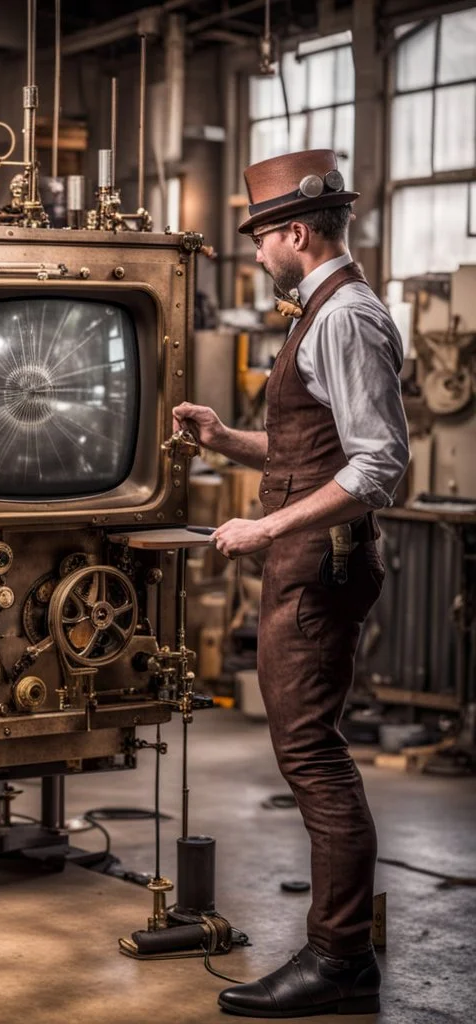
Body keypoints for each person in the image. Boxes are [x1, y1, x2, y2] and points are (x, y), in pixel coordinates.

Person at [173, 149, 409, 1018]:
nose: (257, 257)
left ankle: (340, 960)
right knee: (310, 753)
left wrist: (266, 526)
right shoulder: (324, 313)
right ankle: (340, 954)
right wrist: (226, 439)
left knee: (314, 757)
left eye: (261, 241)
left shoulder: (344, 318)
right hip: (306, 564)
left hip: (318, 567)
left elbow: (381, 464)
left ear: (296, 233)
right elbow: (321, 451)